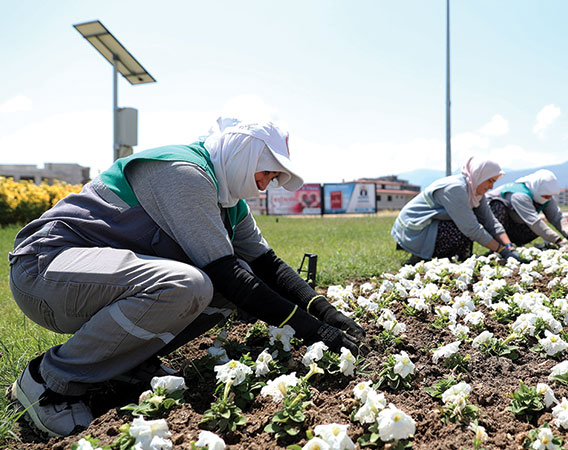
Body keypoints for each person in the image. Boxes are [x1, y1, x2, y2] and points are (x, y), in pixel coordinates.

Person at [7, 117, 366, 437]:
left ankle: (125, 364)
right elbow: (225, 272)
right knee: (190, 285)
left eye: (273, 178)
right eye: (267, 171)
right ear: (243, 153)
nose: (266, 184)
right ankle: (50, 381)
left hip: (89, 282)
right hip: (45, 269)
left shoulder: (228, 199)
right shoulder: (183, 173)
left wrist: (327, 313)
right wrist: (311, 330)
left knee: (221, 290)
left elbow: (266, 264)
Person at [391, 156, 523, 263]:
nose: (491, 186)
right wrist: (501, 251)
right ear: (479, 175)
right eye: (490, 181)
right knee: (464, 228)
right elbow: (471, 228)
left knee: (471, 222)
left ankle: (452, 255)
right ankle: (421, 255)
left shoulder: (475, 190)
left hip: (432, 224)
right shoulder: (456, 189)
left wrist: (509, 246)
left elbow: (490, 221)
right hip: (414, 230)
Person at [487, 169, 568, 250]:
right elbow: (533, 221)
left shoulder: (545, 195)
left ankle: (516, 245)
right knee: (498, 206)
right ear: (537, 189)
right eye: (545, 196)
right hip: (491, 224)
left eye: (550, 196)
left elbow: (556, 216)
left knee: (541, 228)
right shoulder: (519, 195)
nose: (548, 198)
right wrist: (558, 241)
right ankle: (498, 247)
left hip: (515, 225)